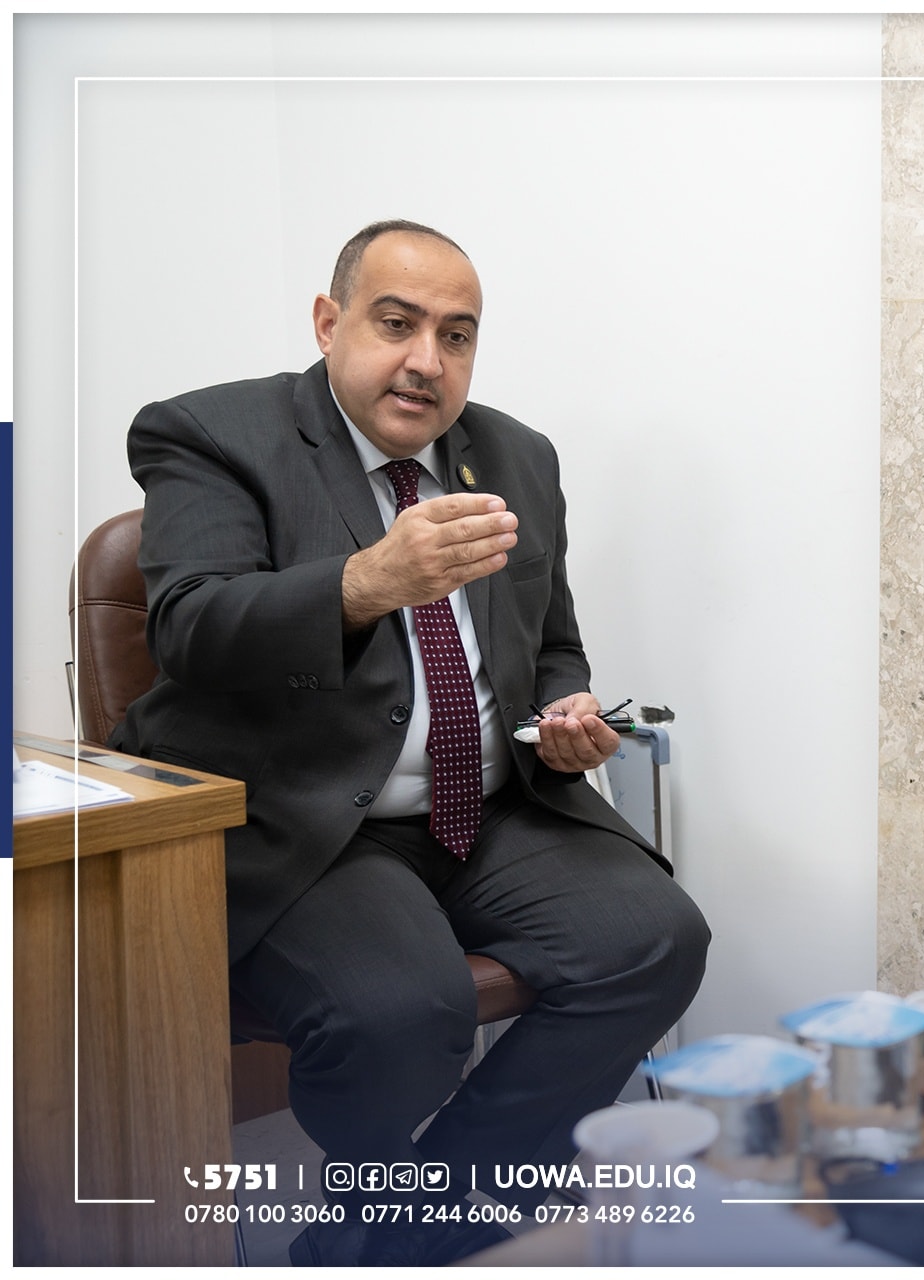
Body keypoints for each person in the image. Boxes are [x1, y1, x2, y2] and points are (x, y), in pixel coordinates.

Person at [112, 221, 711, 1264]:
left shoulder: (517, 454)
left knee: (655, 938)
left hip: (489, 805)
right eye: (397, 323)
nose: (427, 360)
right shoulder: (212, 433)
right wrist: (364, 583)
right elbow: (191, 628)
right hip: (305, 820)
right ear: (329, 321)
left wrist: (565, 714)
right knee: (398, 1014)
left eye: (456, 335)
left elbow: (552, 641)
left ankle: (420, 1212)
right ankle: (414, 1209)